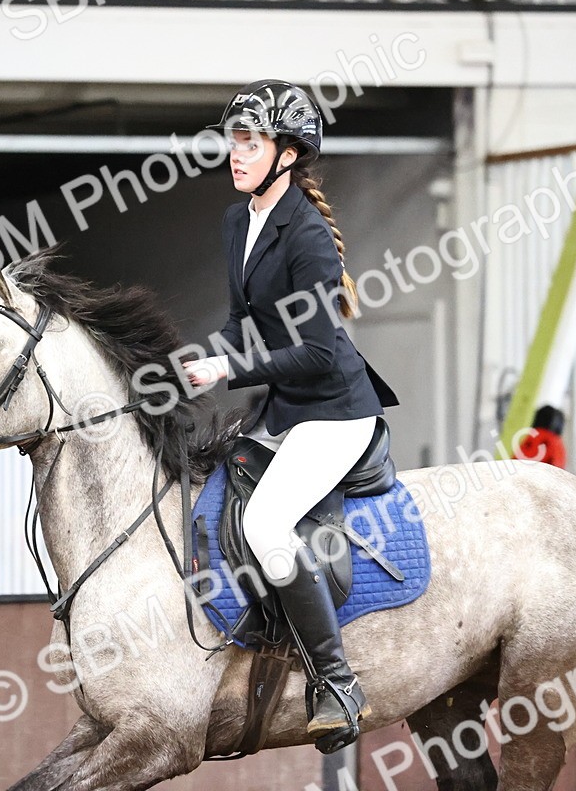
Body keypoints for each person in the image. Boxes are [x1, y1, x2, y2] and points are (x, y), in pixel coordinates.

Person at [181, 79, 400, 752]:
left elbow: (313, 351)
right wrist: (189, 360)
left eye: (250, 142)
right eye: (232, 141)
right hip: (288, 408)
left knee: (267, 521)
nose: (235, 153)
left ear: (287, 152)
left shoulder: (308, 236)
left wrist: (229, 371)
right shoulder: (236, 220)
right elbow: (242, 320)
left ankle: (337, 683)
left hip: (335, 411)